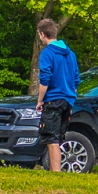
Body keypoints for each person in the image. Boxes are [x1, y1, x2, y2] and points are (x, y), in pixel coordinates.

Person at [35, 19, 80, 173]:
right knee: (59, 137)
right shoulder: (71, 54)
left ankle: (56, 172)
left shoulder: (47, 53)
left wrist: (40, 100)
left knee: (51, 138)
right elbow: (76, 79)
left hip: (53, 99)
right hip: (68, 100)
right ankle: (57, 170)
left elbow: (45, 79)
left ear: (42, 34)